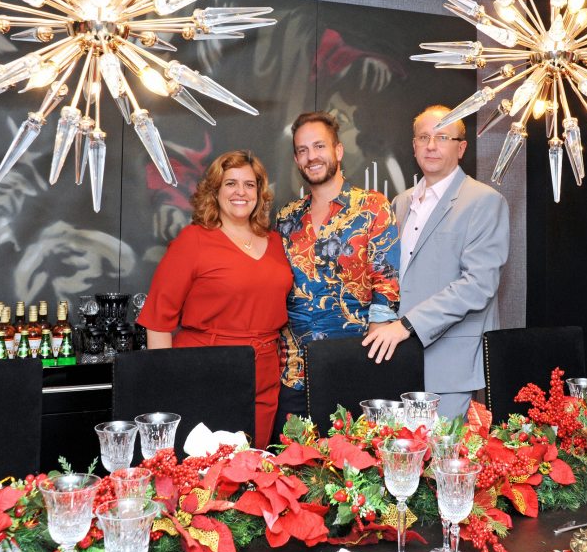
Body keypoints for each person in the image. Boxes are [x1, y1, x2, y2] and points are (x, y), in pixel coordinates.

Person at [137, 150, 292, 449]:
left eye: (249, 184)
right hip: (205, 369)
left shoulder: (275, 242)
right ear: (215, 191)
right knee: (207, 466)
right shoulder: (193, 240)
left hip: (265, 373)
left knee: (253, 461)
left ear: (259, 193)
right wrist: (167, 385)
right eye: (230, 183)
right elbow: (157, 321)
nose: (240, 192)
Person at [363, 105, 510, 420]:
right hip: (399, 358)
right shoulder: (400, 203)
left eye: (442, 137)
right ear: (414, 145)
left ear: (461, 148)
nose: (431, 146)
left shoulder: (484, 201)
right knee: (395, 449)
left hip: (450, 366)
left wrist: (407, 324)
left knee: (443, 451)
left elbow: (478, 285)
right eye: (423, 137)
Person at [274, 111, 401, 434]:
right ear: (296, 159)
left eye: (319, 146)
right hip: (295, 371)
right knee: (291, 460)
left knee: (352, 460)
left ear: (338, 151)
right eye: (302, 150)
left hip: (354, 362)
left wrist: (372, 352)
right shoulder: (286, 217)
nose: (311, 156)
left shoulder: (372, 206)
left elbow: (386, 280)